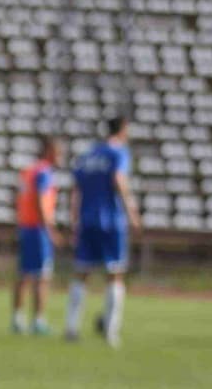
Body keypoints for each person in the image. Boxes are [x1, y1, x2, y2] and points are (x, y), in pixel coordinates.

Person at [65, 116, 142, 348]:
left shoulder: (88, 155)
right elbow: (118, 179)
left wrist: (74, 218)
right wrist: (132, 211)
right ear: (122, 130)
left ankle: (71, 327)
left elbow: (76, 189)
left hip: (87, 221)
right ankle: (111, 331)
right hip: (111, 221)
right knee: (115, 274)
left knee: (81, 273)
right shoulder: (118, 153)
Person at [11, 136, 66, 335]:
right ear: (49, 151)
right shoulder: (44, 172)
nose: (61, 156)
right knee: (42, 276)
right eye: (58, 152)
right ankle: (38, 321)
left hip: (26, 226)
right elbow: (41, 202)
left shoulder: (29, 171)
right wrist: (50, 230)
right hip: (38, 229)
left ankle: (17, 319)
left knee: (24, 274)